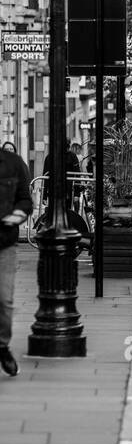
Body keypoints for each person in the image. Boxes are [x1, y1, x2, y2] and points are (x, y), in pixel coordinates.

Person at [0, 142, 34, 377]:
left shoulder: (13, 164)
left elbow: (25, 200)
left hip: (3, 244)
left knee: (4, 300)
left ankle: (2, 346)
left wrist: (14, 217)